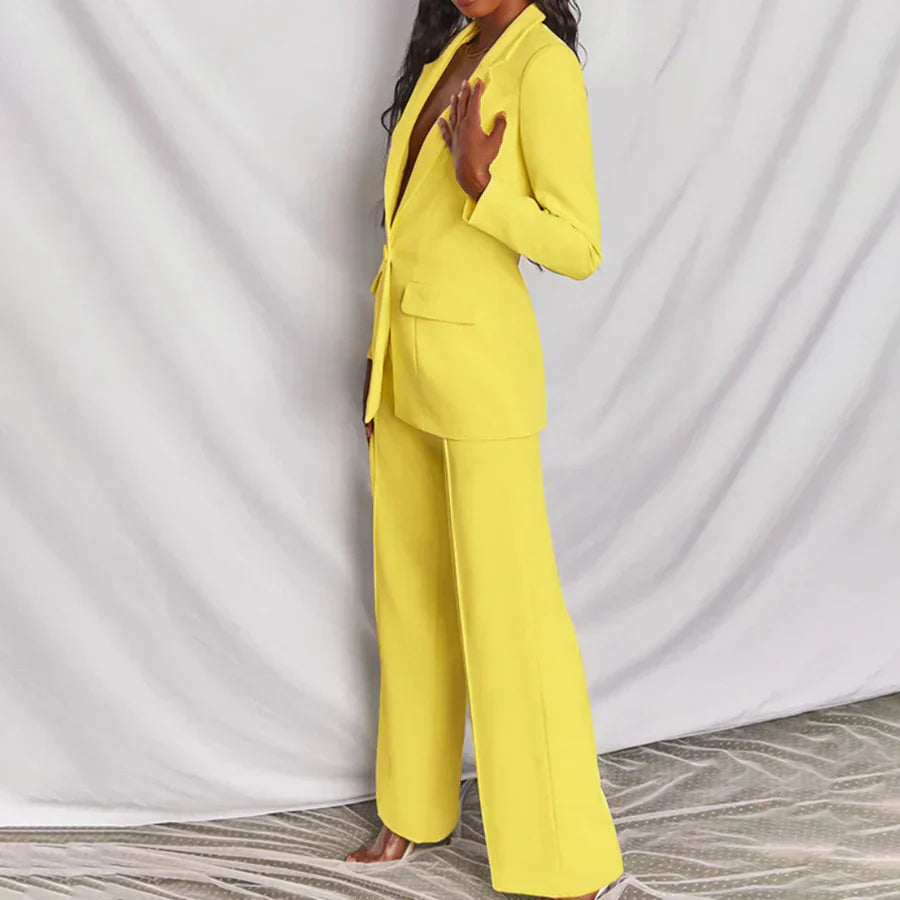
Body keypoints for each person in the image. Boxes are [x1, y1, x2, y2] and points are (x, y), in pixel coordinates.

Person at [347, 2, 624, 898]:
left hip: (483, 381)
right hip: (405, 370)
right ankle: (412, 809)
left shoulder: (543, 67)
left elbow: (580, 245)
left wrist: (484, 188)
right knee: (411, 602)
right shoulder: (454, 51)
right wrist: (378, 362)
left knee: (512, 618)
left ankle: (562, 859)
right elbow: (407, 231)